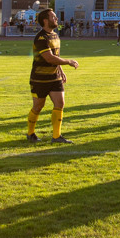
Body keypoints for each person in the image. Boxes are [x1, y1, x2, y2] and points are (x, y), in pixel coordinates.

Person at [27, 8, 80, 143]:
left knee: (60, 103)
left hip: (54, 77)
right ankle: (30, 133)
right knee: (38, 106)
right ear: (46, 20)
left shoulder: (55, 35)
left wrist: (61, 70)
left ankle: (56, 136)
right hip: (39, 78)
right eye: (53, 17)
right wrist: (68, 62)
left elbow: (56, 57)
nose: (56, 19)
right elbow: (49, 58)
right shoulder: (41, 37)